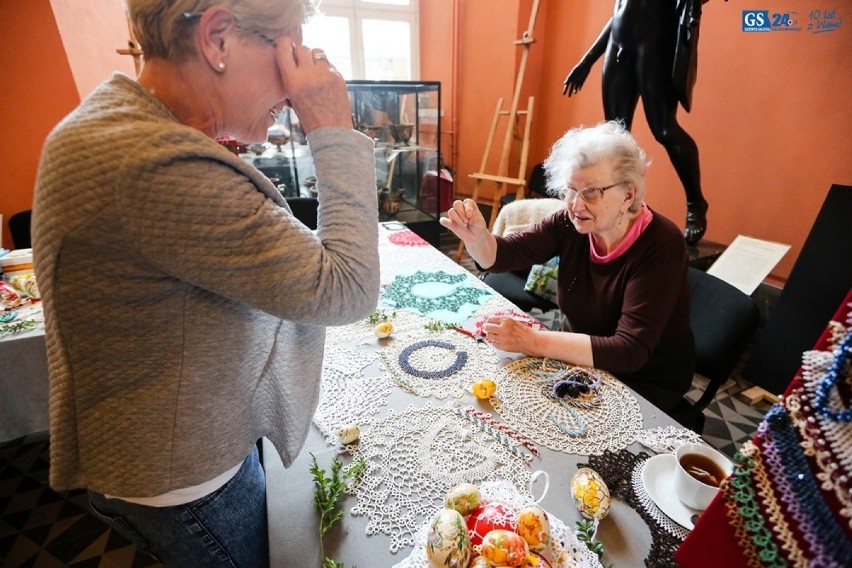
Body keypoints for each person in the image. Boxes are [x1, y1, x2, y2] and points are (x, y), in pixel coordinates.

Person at [31, 1, 380, 566]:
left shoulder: (120, 124)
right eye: (291, 52)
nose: (297, 85)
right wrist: (331, 126)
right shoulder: (154, 163)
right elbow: (347, 289)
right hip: (186, 477)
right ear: (217, 38)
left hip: (171, 448)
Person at [441, 121, 695, 412]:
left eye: (591, 192)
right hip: (580, 359)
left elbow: (629, 351)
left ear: (628, 194)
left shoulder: (662, 244)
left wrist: (530, 340)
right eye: (570, 190)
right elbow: (501, 257)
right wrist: (478, 238)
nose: (575, 205)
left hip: (643, 380)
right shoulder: (569, 224)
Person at [562, 0, 709, 245]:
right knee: (615, 138)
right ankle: (622, 211)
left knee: (664, 130)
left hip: (653, 45)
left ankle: (696, 203)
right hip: (617, 46)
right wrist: (587, 61)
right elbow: (621, 12)